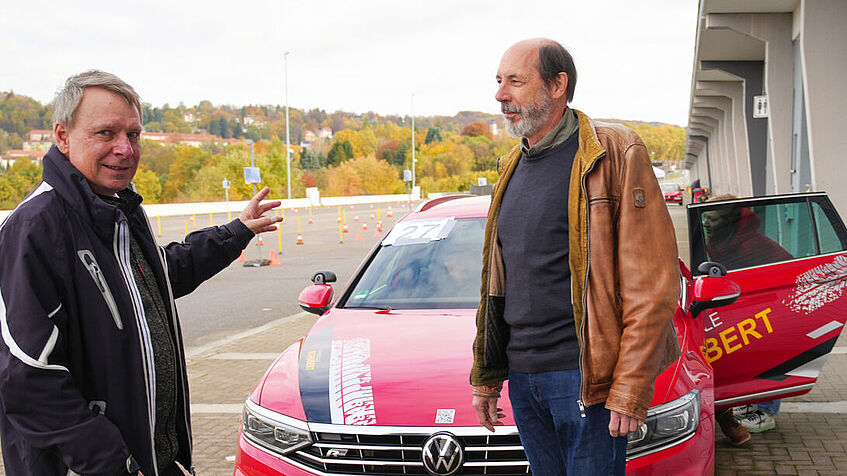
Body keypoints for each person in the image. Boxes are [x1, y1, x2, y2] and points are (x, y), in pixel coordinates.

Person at [0, 70, 283, 476]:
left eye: (133, 135)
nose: (124, 149)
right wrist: (113, 462)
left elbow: (158, 278)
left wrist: (234, 232)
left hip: (154, 461)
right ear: (62, 137)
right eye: (105, 133)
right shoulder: (37, 227)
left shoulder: (121, 211)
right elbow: (29, 377)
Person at [470, 39, 680, 475]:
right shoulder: (511, 164)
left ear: (558, 85)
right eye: (498, 81)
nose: (500, 95)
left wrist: (630, 386)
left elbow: (653, 280)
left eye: (515, 81)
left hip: (585, 380)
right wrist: (488, 376)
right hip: (524, 379)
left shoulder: (616, 151)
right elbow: (497, 282)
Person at [704, 194, 789, 444]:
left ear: (729, 220)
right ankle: (749, 401)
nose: (706, 223)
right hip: (744, 305)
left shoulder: (753, 245)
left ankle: (767, 411)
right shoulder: (722, 238)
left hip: (771, 303)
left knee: (768, 354)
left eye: (712, 218)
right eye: (705, 217)